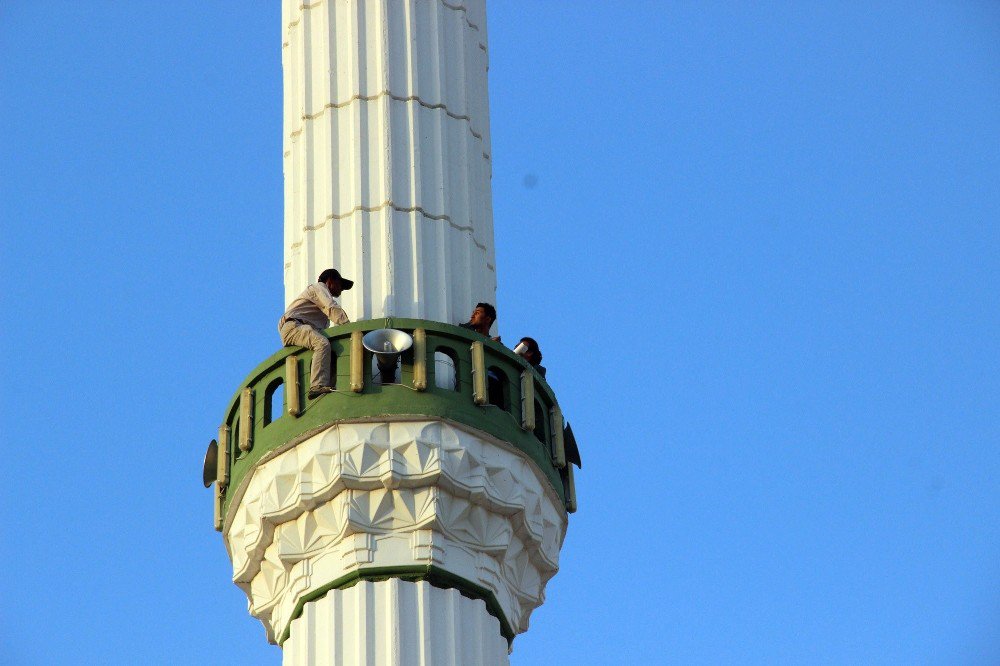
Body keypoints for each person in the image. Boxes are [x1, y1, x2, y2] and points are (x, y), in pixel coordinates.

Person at [279, 268, 353, 399]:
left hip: (297, 327)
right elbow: (331, 307)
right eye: (340, 285)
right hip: (295, 326)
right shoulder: (319, 288)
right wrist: (350, 329)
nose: (341, 290)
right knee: (322, 344)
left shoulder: (321, 315)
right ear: (330, 281)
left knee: (328, 350)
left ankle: (328, 387)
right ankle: (317, 386)